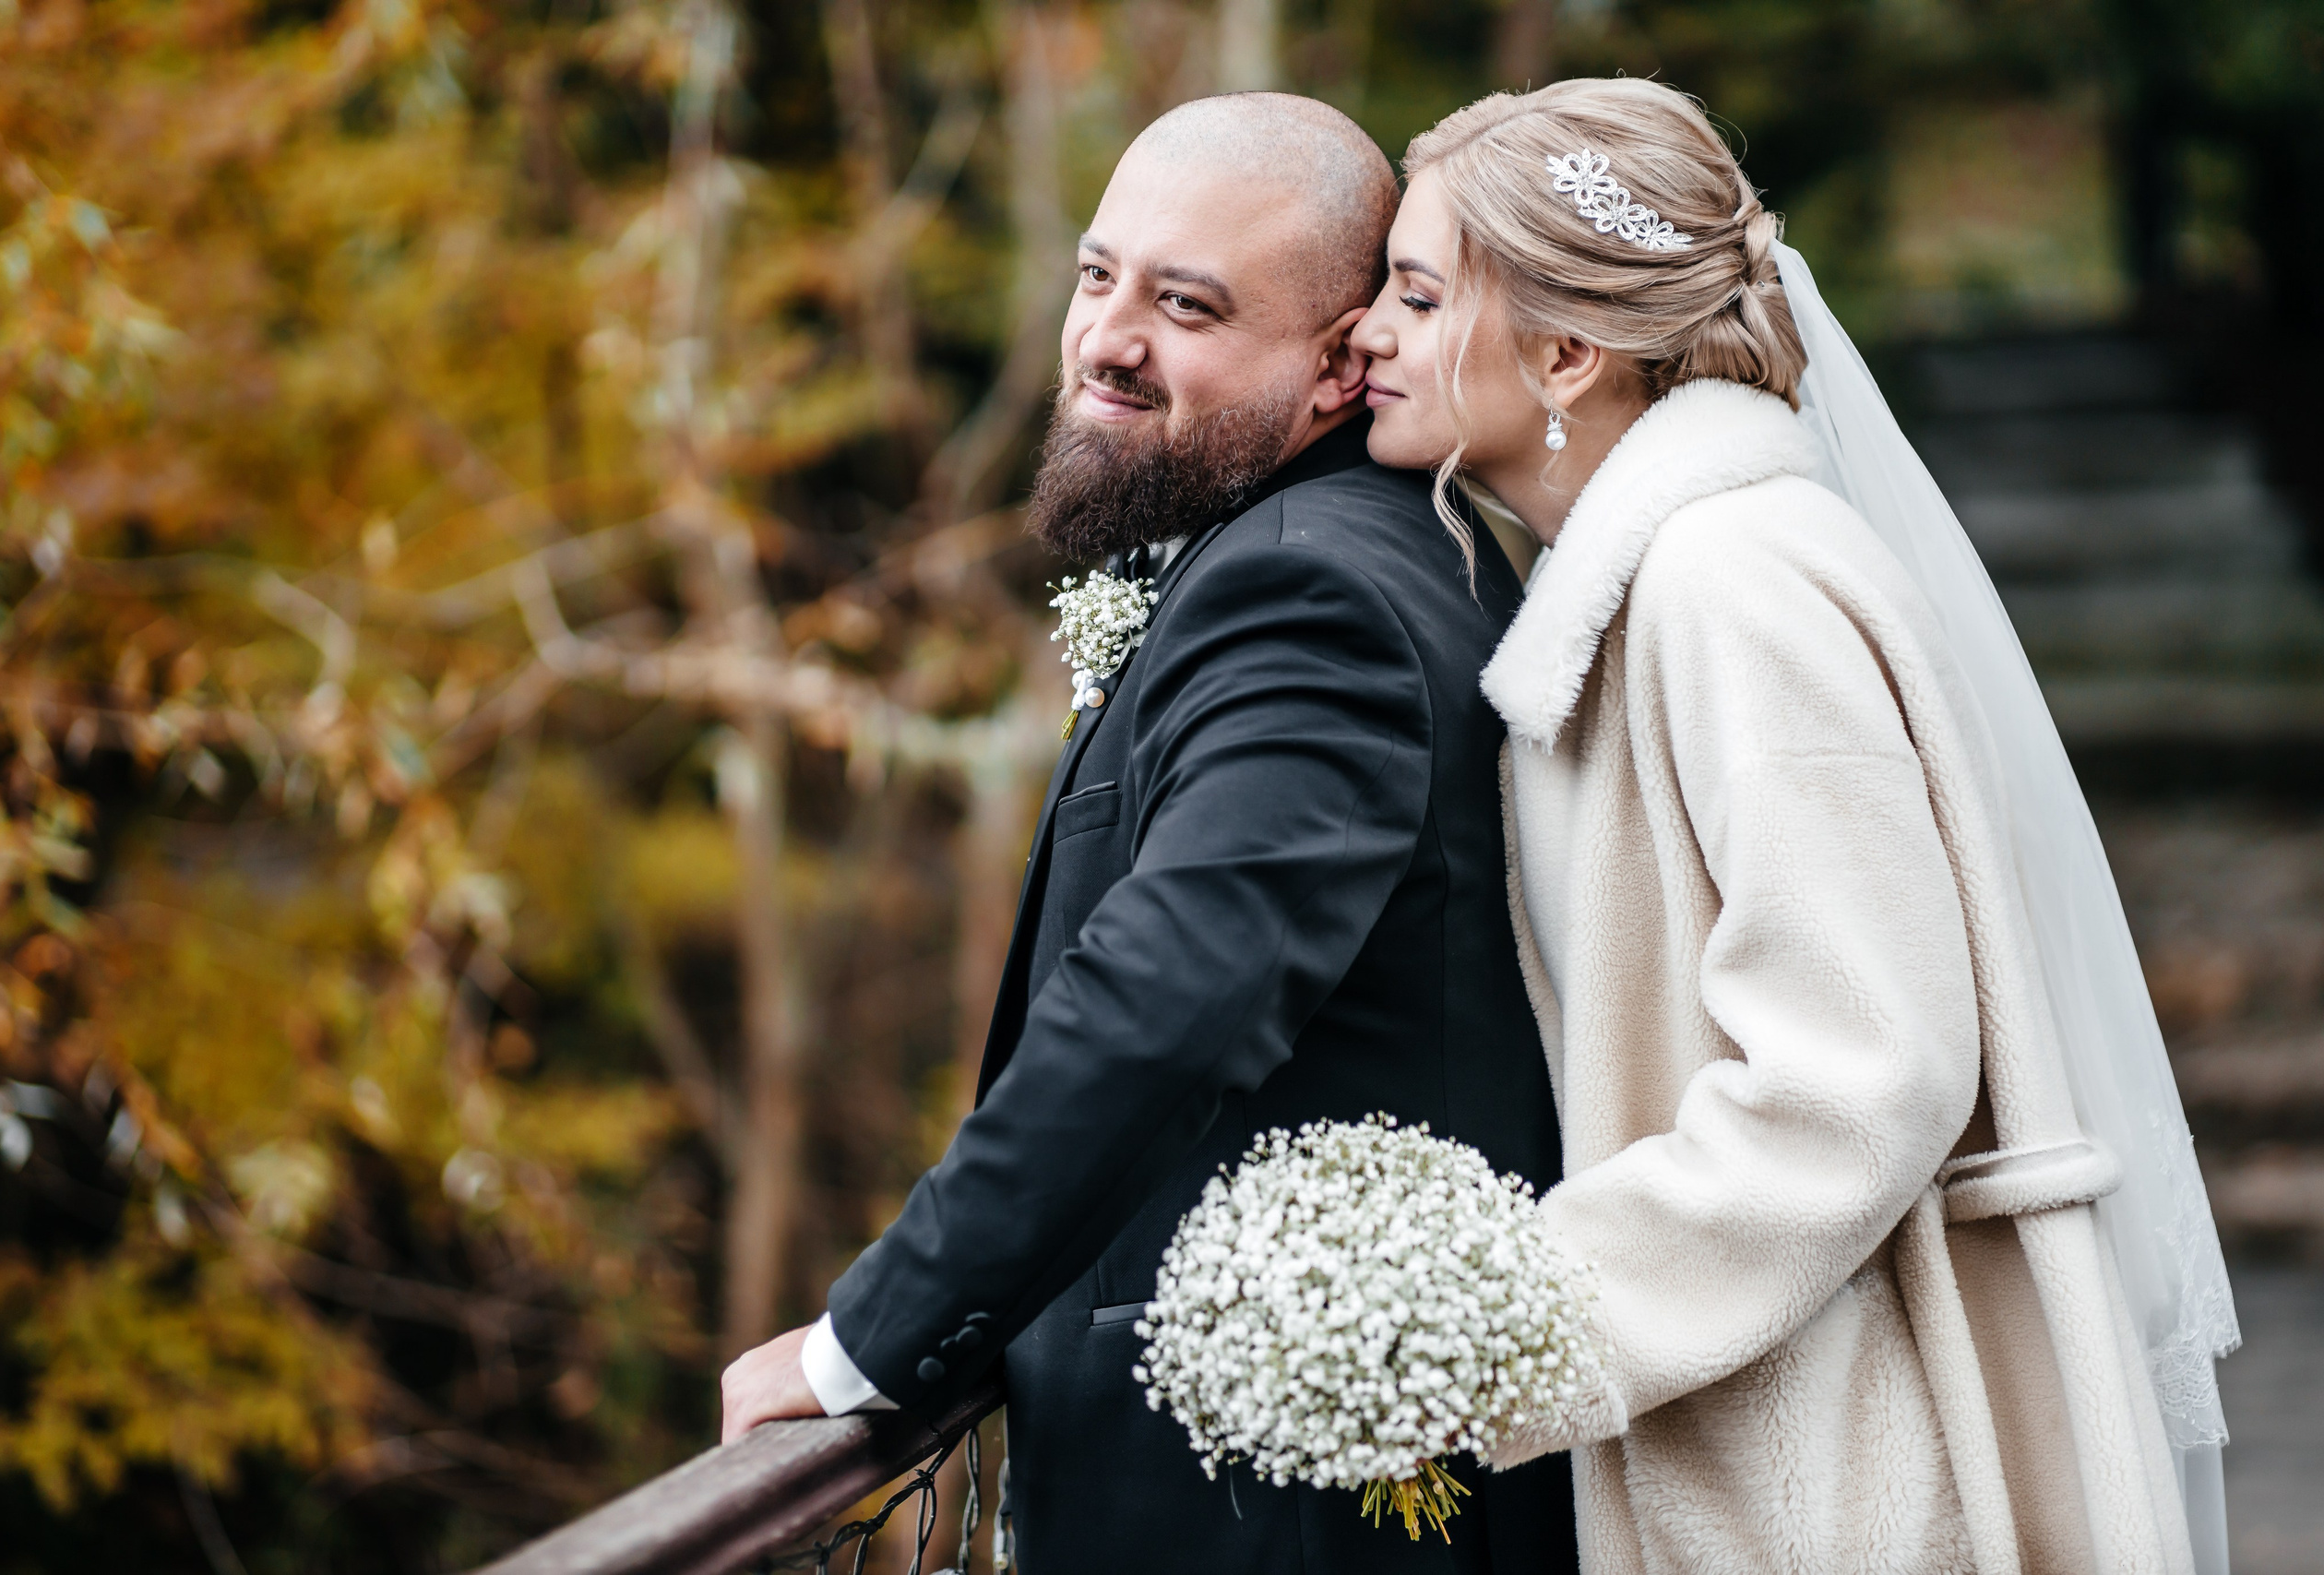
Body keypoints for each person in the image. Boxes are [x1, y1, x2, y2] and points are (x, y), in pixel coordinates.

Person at [1350, 78, 2236, 1574]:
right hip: (1776, 1430)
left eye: (1418, 293)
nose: (1368, 331)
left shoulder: (1728, 581)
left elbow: (1860, 1073)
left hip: (1852, 1469)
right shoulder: (1664, 572)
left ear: (1568, 350)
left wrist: (1479, 1336)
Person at [718, 91, 1578, 1574]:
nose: (1108, 337)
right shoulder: (1314, 556)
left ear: (1334, 367)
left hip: (1271, 1520)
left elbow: (1169, 997)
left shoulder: (1313, 600)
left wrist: (867, 1342)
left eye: (1185, 306)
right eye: (1096, 274)